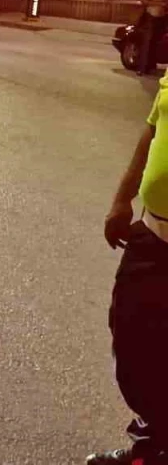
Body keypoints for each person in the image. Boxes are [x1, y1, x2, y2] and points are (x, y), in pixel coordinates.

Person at [96, 84, 168, 464]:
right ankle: (154, 444)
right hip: (153, 234)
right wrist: (123, 199)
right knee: (132, 345)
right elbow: (152, 131)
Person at [137, 0, 167, 75]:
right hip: (151, 17)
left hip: (162, 18)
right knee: (147, 43)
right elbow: (144, 1)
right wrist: (159, 4)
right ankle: (141, 68)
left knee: (156, 42)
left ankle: (151, 66)